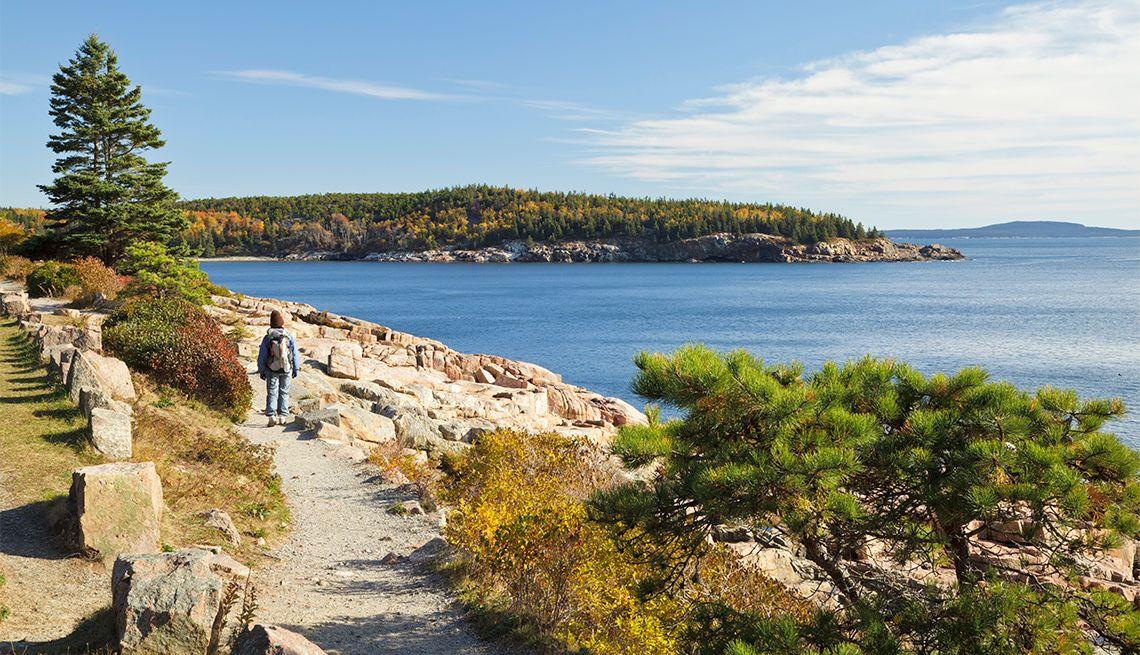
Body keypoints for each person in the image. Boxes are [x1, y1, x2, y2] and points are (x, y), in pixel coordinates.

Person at [257, 310, 299, 426]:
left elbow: (262, 355)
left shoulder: (268, 337)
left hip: (271, 368)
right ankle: (282, 416)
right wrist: (296, 368)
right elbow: (294, 353)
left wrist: (261, 370)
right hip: (286, 368)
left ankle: (271, 415)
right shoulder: (288, 336)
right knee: (284, 392)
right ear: (282, 322)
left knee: (272, 392)